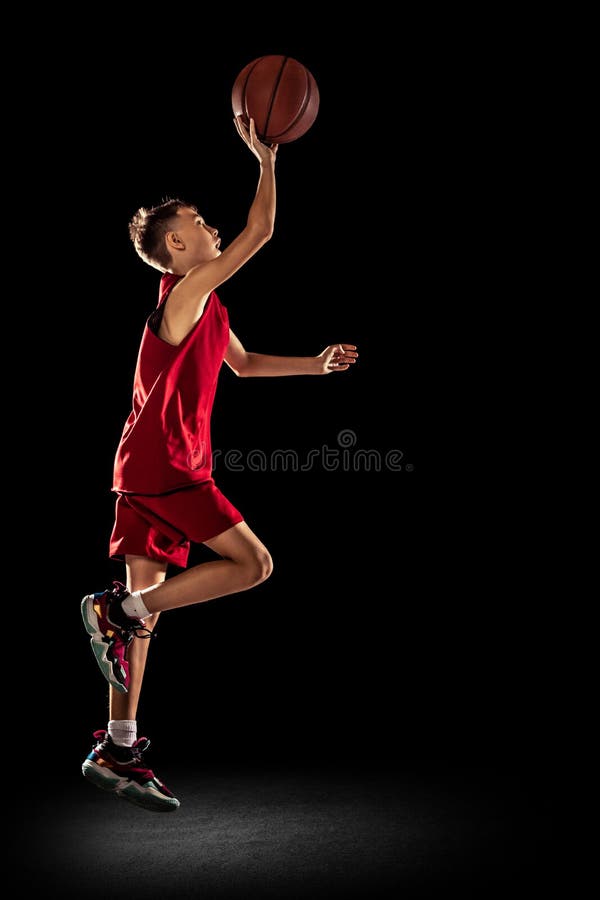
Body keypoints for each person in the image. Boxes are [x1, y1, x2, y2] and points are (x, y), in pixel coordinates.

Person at [80, 117, 358, 812]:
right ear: (177, 244)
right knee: (253, 566)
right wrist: (266, 159)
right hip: (170, 469)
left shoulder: (205, 306)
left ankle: (117, 749)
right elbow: (261, 233)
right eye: (201, 222)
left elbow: (244, 364)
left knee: (142, 629)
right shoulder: (182, 294)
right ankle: (115, 608)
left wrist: (315, 368)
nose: (213, 229)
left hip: (141, 471)